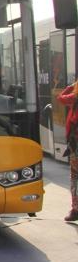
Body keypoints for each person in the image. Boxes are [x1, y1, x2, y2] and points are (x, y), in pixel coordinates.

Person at [57, 81, 78, 222]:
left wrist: (71, 87)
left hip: (76, 146)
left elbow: (60, 98)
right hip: (75, 145)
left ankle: (75, 210)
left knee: (75, 177)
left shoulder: (74, 97)